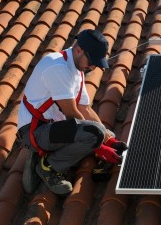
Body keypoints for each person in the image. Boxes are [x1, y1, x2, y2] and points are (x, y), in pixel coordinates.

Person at [17, 29, 122, 195]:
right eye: (92, 61)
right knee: (93, 135)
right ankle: (48, 167)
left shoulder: (76, 70)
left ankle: (54, 153)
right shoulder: (57, 68)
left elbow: (85, 109)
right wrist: (99, 146)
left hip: (56, 128)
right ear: (79, 49)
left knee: (103, 133)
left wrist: (110, 140)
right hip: (35, 131)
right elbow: (72, 113)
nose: (93, 67)